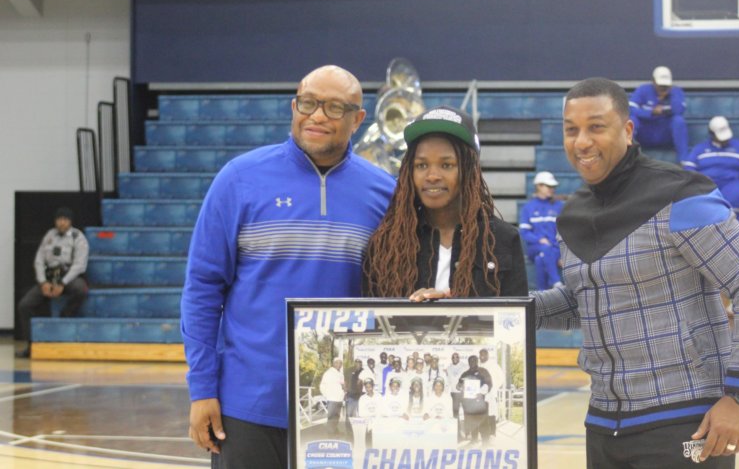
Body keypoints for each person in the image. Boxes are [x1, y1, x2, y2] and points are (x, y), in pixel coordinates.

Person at [533, 78, 739, 467]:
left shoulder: (681, 195)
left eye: (596, 127)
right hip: (603, 426)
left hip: (686, 421)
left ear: (628, 130)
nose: (582, 142)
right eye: (571, 130)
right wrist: (495, 309)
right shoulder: (572, 214)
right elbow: (584, 302)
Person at [181, 65, 395, 468]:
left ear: (358, 119)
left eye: (334, 107)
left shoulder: (385, 193)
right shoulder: (238, 179)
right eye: (308, 103)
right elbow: (203, 289)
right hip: (247, 407)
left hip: (341, 409)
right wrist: (202, 389)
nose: (317, 116)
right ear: (294, 106)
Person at [362, 105, 528, 299]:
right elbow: (373, 316)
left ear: (469, 170)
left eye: (447, 165)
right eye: (421, 165)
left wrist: (452, 310)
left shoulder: (502, 239)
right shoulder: (385, 243)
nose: (432, 176)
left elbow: (516, 316)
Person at [16, 207, 89, 359]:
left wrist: (62, 283)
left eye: (65, 220)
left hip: (68, 276)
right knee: (25, 305)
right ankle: (32, 344)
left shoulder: (78, 237)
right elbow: (39, 260)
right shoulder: (50, 235)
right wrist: (43, 282)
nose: (62, 223)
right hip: (49, 277)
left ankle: (65, 316)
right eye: (59, 219)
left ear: (70, 221)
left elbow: (80, 265)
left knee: (81, 289)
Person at [682, 116, 739, 238]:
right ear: (711, 134)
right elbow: (688, 167)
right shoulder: (700, 149)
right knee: (698, 201)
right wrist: (698, 180)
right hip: (707, 183)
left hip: (732, 182)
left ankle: (736, 236)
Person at [629, 66, 689, 161]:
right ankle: (628, 158)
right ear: (653, 81)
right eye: (660, 85)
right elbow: (630, 109)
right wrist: (651, 112)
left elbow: (679, 110)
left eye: (665, 85)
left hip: (664, 132)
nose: (663, 88)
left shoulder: (676, 92)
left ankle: (683, 161)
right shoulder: (642, 90)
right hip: (646, 131)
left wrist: (668, 96)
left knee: (678, 121)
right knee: (632, 120)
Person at [519, 171, 563, 290]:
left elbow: (565, 232)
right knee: (545, 249)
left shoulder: (559, 206)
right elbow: (524, 232)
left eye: (553, 186)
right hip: (535, 248)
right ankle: (556, 281)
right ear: (539, 186)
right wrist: (539, 239)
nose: (552, 189)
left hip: (554, 248)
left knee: (540, 259)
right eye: (548, 186)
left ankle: (541, 294)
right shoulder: (528, 207)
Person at [457, 355, 493, 445]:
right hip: (469, 403)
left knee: (483, 422)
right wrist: (460, 386)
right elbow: (458, 385)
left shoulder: (483, 371)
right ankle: (474, 440)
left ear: (477, 361)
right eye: (470, 361)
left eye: (474, 360)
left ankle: (485, 441)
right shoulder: (465, 374)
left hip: (480, 401)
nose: (472, 362)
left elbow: (489, 384)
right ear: (468, 362)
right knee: (471, 422)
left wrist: (481, 393)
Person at [478, 348, 505, 438]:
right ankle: (484, 432)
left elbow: (502, 378)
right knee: (482, 413)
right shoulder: (478, 366)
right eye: (480, 354)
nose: (482, 356)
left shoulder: (494, 365)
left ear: (487, 355)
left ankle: (492, 432)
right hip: (481, 394)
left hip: (491, 393)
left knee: (492, 413)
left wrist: (494, 387)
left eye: (483, 354)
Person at [320, 358, 346, 436]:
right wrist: (326, 395)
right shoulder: (328, 373)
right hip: (332, 399)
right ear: (333, 363)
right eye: (337, 363)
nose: (339, 365)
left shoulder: (341, 374)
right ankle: (330, 435)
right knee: (331, 417)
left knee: (336, 417)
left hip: (339, 399)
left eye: (340, 363)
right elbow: (322, 385)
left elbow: (343, 385)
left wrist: (343, 393)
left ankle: (334, 431)